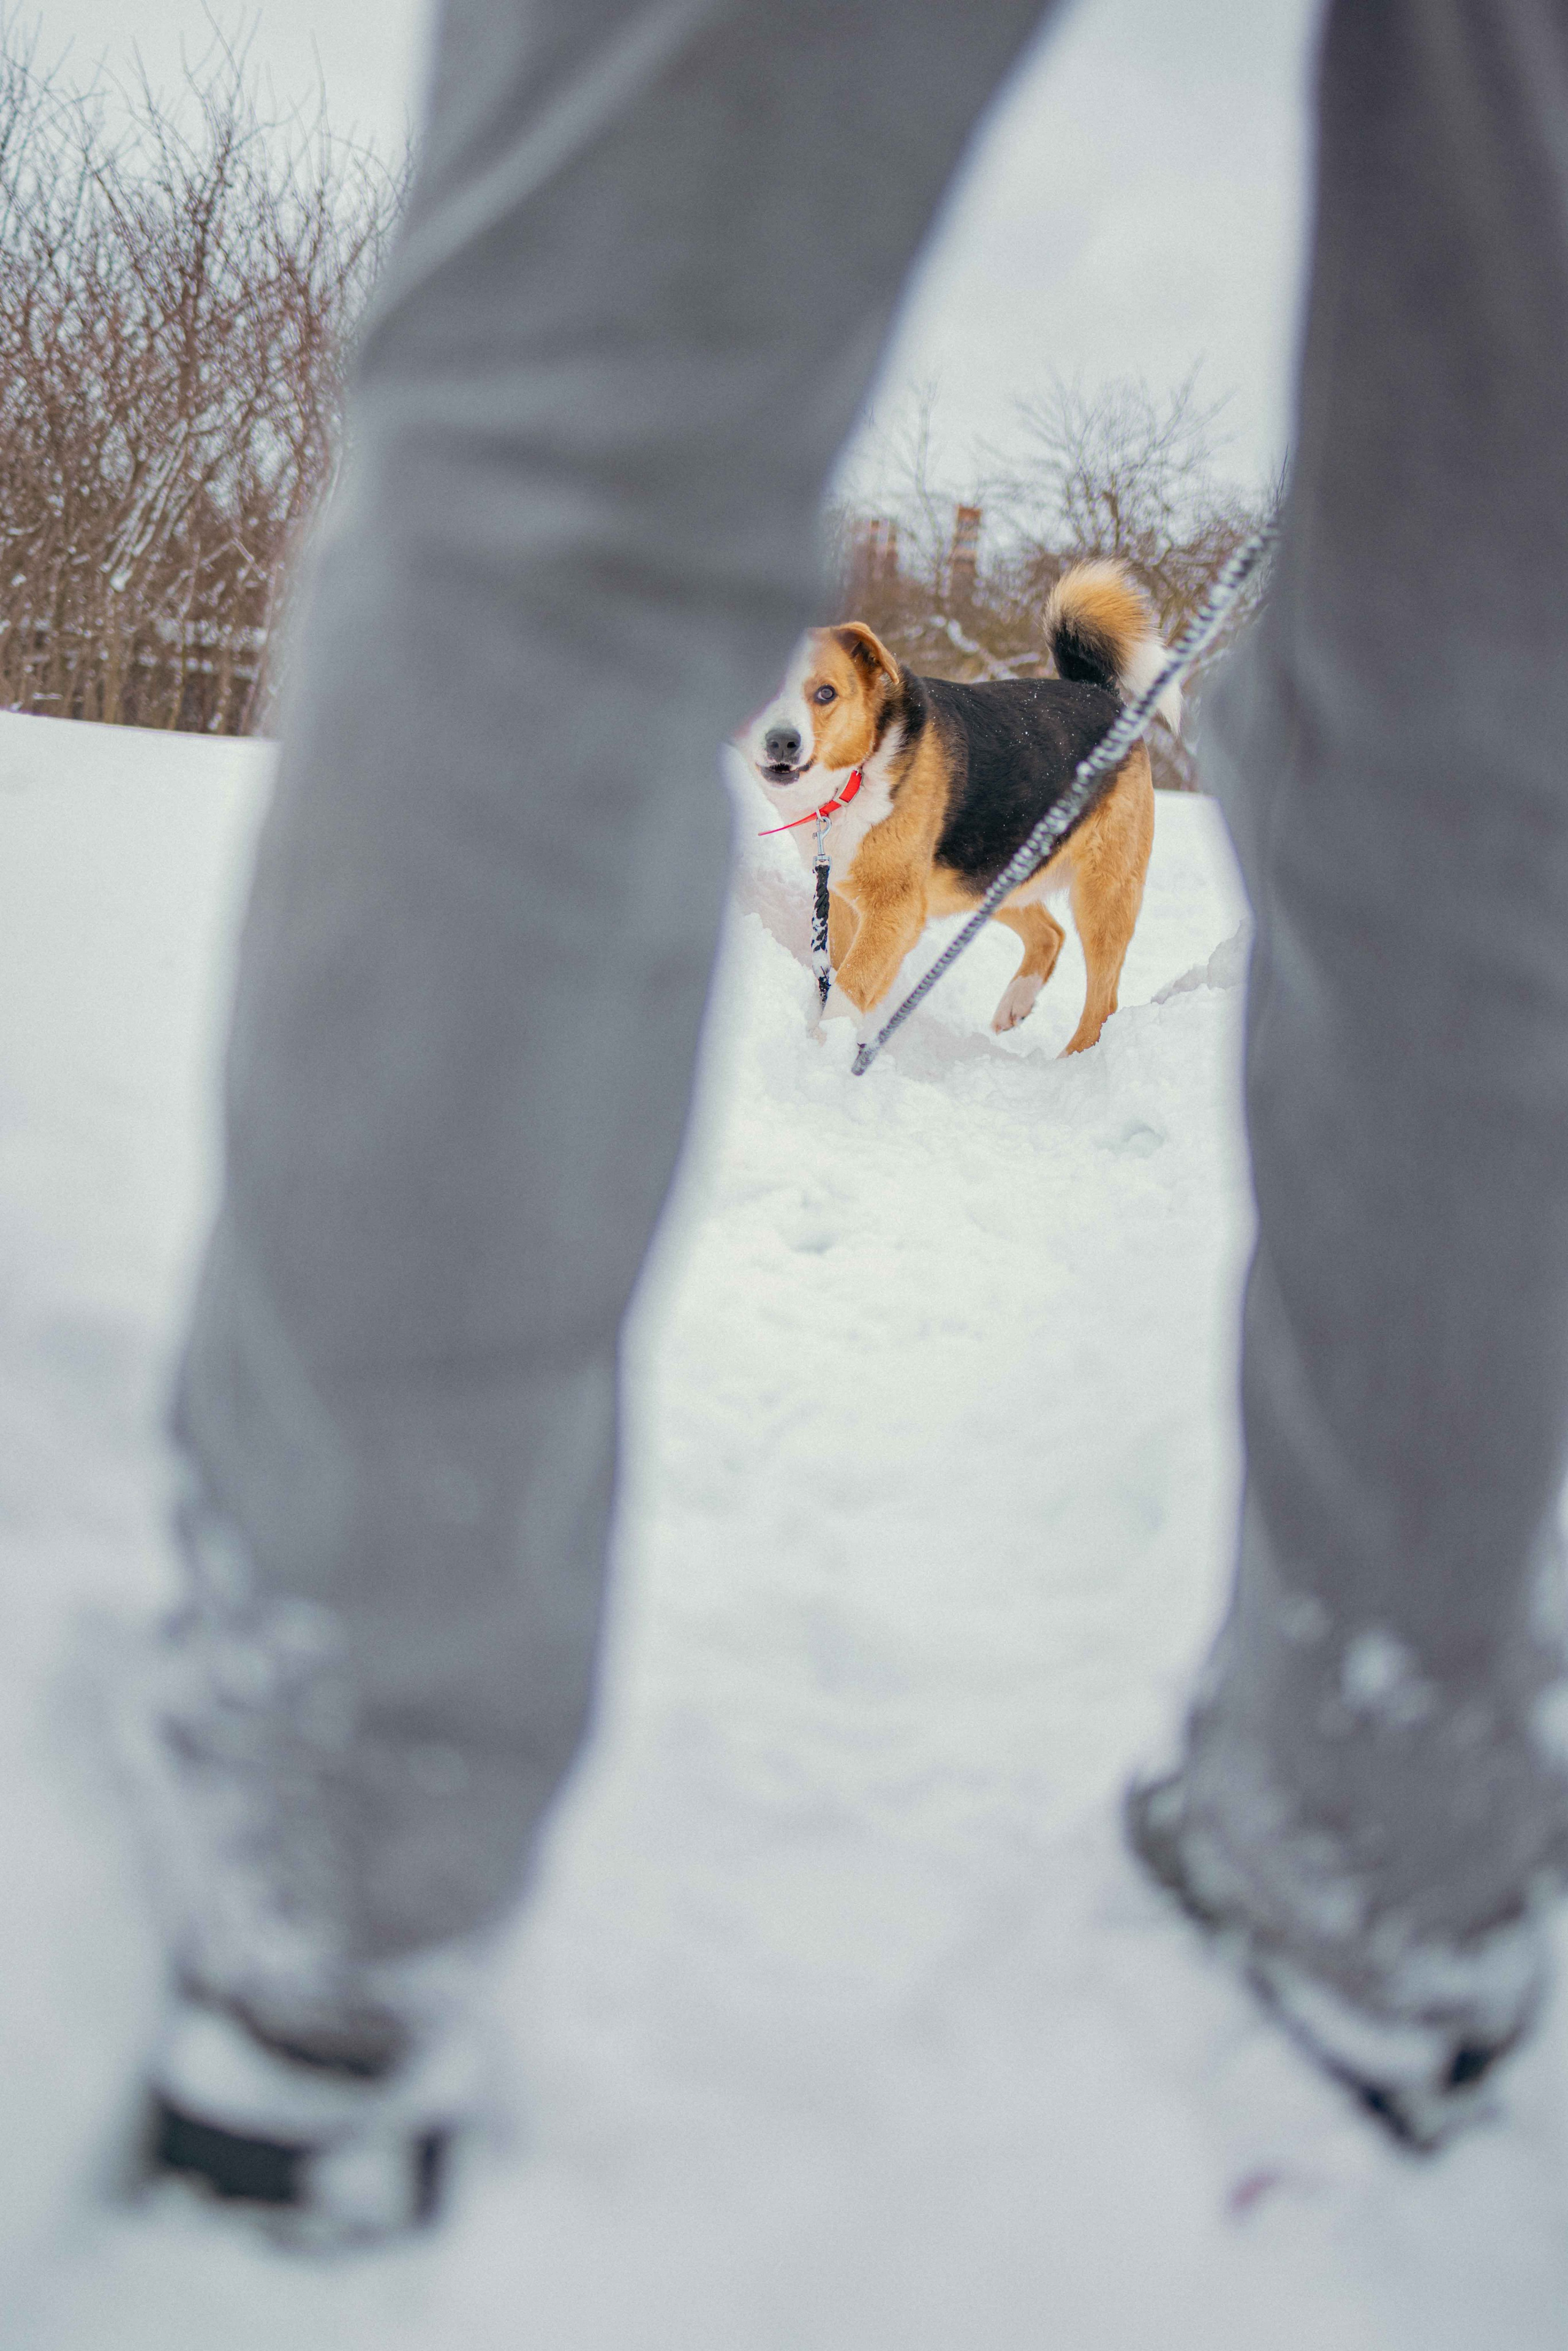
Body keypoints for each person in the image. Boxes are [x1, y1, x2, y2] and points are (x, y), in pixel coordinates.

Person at [130, 0, 1568, 2241]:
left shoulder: (929, 764)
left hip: (1034, 823)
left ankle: (332, 1833)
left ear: (874, 707)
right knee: (1506, 616)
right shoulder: (832, 750)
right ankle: (1389, 1846)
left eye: (824, 710)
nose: (799, 731)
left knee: (568, 462)